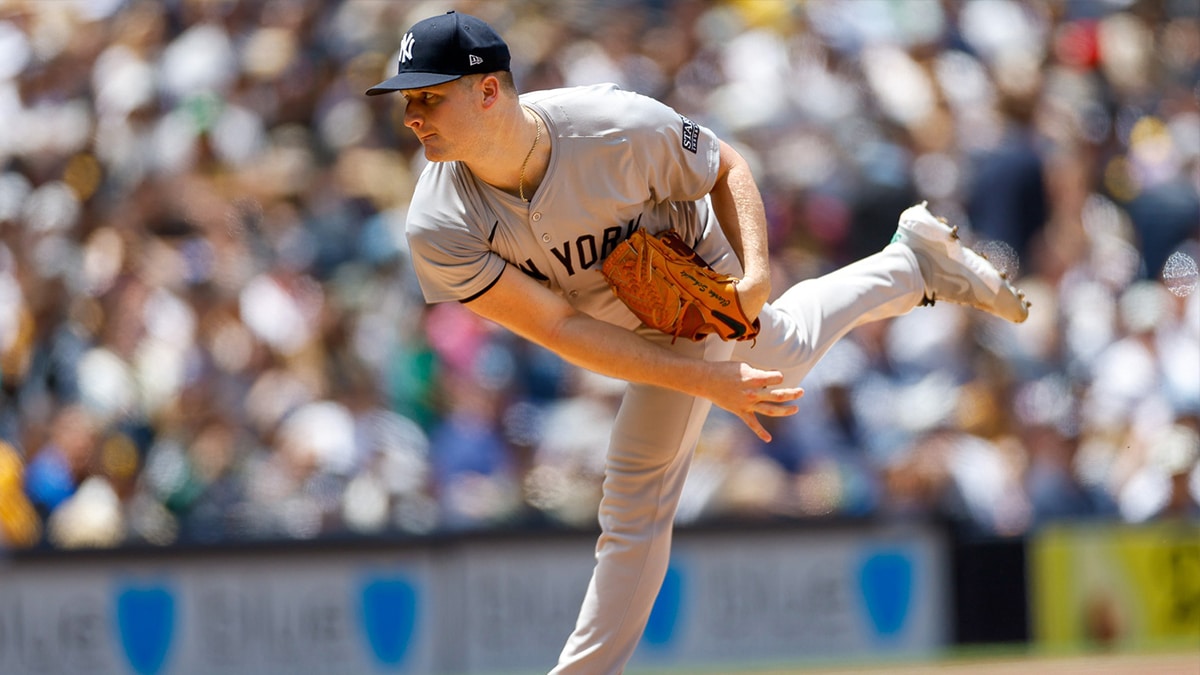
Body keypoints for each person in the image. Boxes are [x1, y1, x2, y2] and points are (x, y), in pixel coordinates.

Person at [366, 11, 1029, 674]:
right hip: (615, 319)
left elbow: (724, 165)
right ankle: (914, 262)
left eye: (429, 95)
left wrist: (755, 276)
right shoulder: (436, 224)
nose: (412, 115)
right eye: (408, 99)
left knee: (635, 486)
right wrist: (706, 381)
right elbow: (560, 328)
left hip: (696, 272)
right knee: (788, 347)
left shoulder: (609, 125)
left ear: (487, 92)